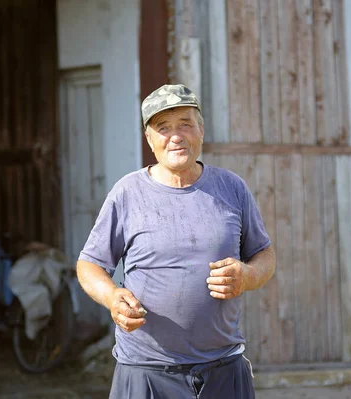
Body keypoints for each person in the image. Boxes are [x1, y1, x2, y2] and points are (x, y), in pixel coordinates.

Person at [76, 83, 276, 398]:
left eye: (185, 124)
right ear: (149, 139)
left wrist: (248, 275)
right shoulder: (128, 193)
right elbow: (89, 264)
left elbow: (263, 254)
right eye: (163, 127)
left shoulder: (231, 188)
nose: (176, 135)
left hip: (222, 369)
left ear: (201, 130)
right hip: (146, 372)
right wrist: (112, 297)